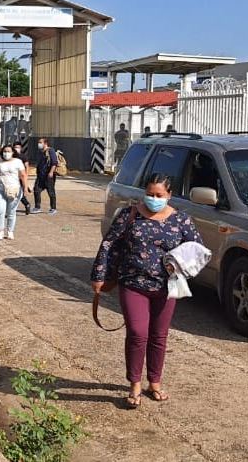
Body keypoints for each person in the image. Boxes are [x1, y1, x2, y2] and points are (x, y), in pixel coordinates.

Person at [91, 173, 204, 409]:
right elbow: (109, 244)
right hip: (133, 283)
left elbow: (197, 250)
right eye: (150, 194)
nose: (154, 199)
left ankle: (155, 382)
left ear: (169, 195)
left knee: (159, 336)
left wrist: (181, 265)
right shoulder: (129, 215)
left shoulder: (181, 220)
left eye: (159, 195)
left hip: (167, 287)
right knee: (137, 332)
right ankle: (134, 383)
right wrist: (99, 275)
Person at [0, 144, 28, 240]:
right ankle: (0, 231)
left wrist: (25, 188)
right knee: (0, 210)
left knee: (11, 211)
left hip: (14, 189)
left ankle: (10, 231)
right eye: (4, 151)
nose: (6, 153)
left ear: (12, 153)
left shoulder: (18, 162)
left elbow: (23, 175)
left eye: (8, 151)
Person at [31, 137, 58, 215]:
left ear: (45, 143)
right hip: (40, 175)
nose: (39, 144)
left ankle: (53, 208)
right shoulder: (40, 152)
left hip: (48, 175)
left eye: (40, 142)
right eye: (38, 142)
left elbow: (54, 163)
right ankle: (37, 207)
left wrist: (51, 172)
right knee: (36, 190)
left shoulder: (50, 151)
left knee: (51, 192)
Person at [14, 140, 33, 215]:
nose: (16, 148)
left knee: (18, 193)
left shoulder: (23, 156)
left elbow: (27, 166)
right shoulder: (11, 156)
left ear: (21, 148)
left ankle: (26, 204)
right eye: (15, 147)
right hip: (13, 177)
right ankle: (26, 204)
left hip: (21, 178)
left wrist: (26, 176)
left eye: (18, 147)